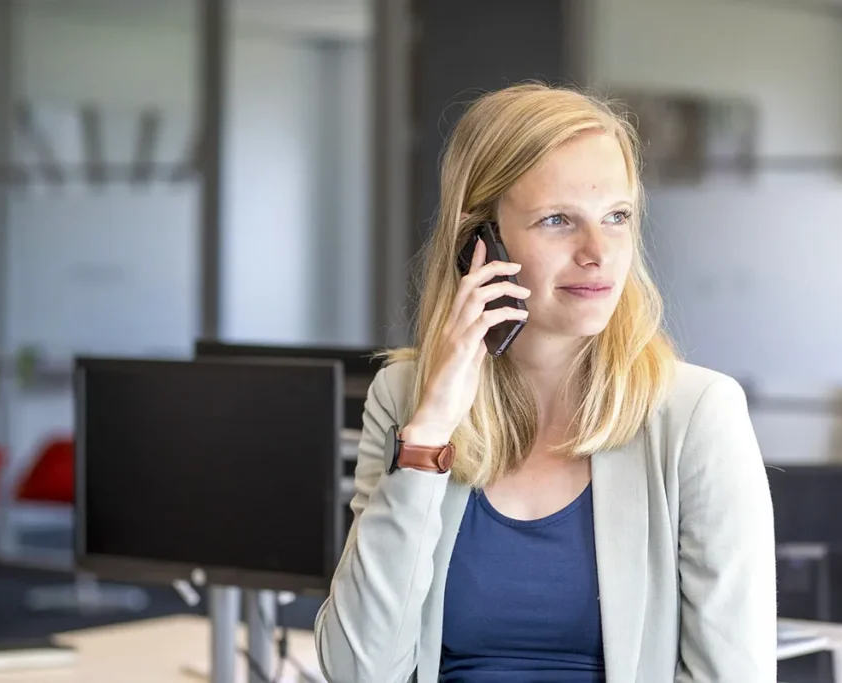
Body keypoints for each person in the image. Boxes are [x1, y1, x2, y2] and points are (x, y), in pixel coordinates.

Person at [314, 83, 777, 683]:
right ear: (480, 242)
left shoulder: (696, 416)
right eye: (558, 220)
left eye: (617, 217)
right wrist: (430, 431)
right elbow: (357, 670)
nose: (598, 252)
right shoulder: (406, 399)